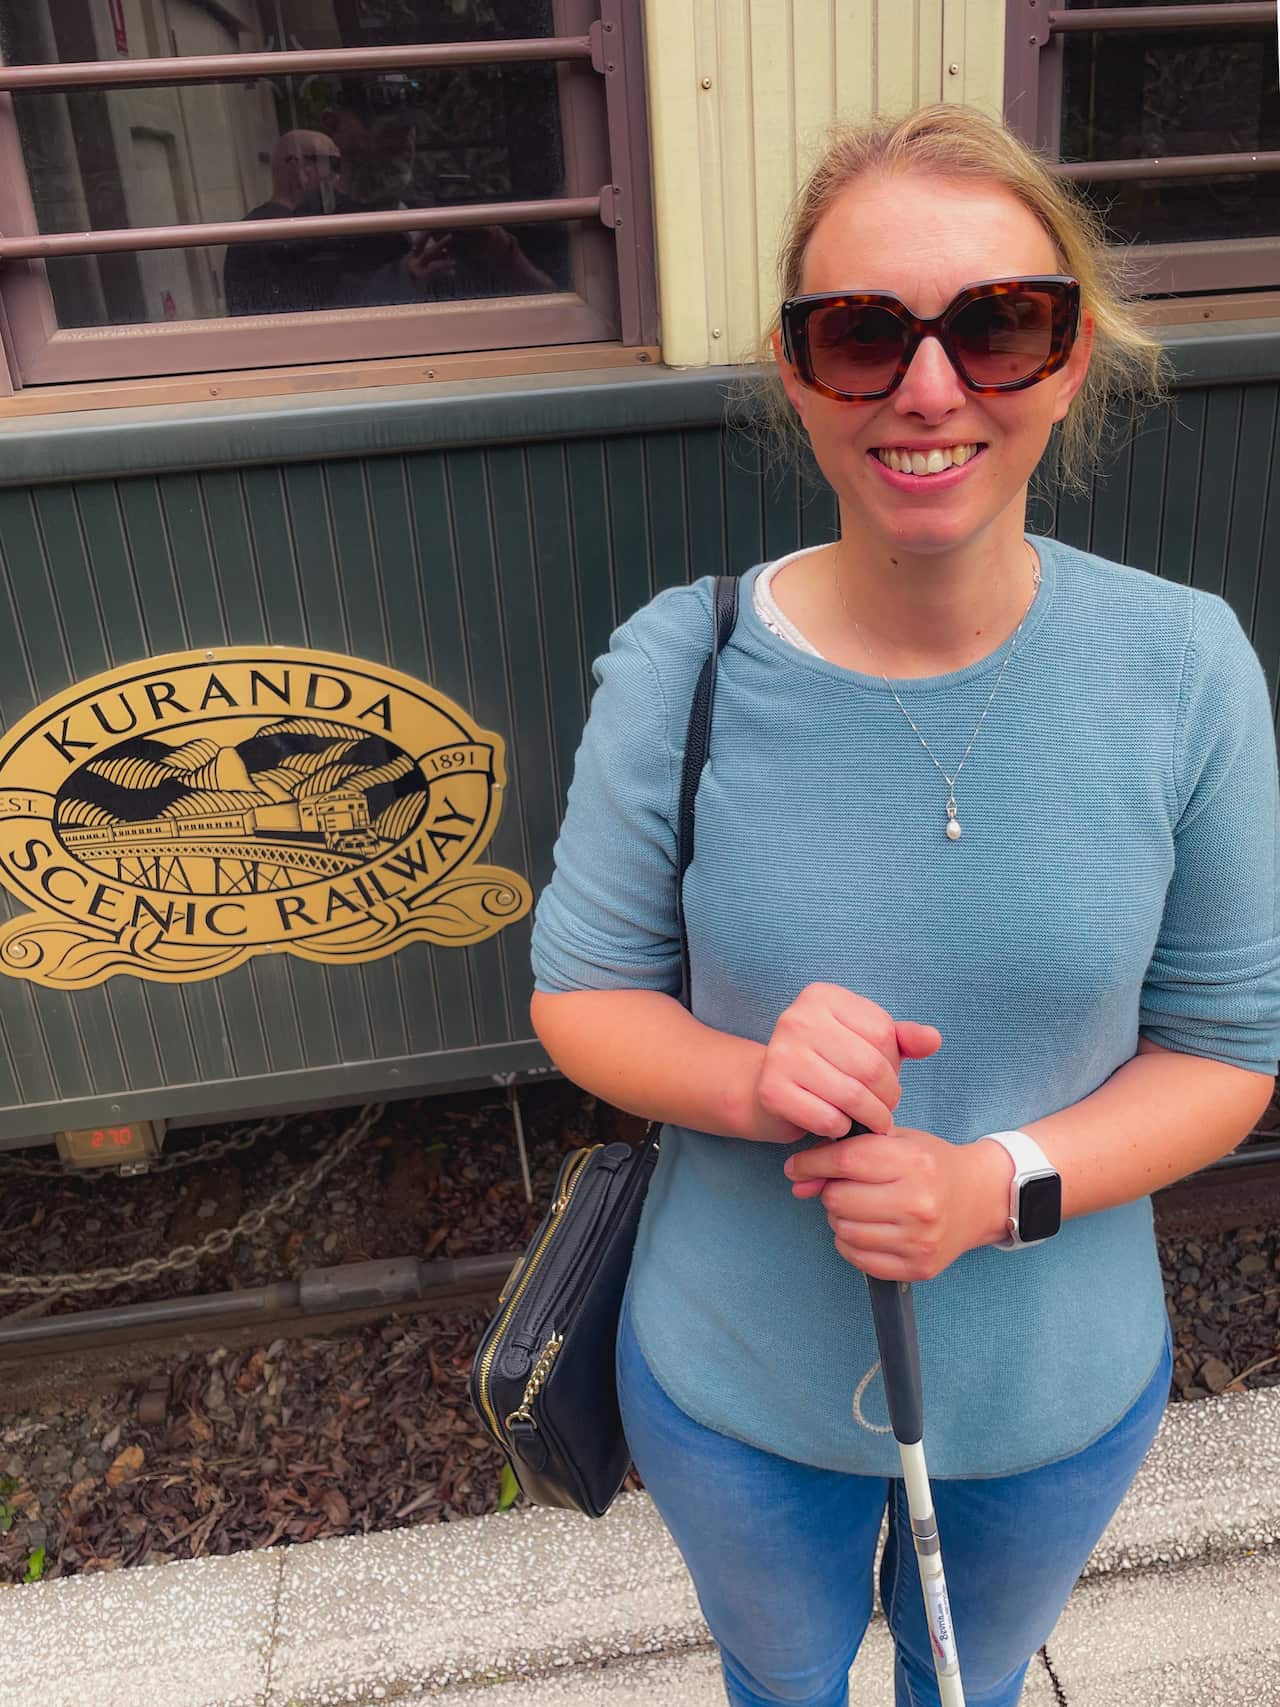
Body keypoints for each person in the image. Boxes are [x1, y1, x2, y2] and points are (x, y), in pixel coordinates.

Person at [527, 103, 1280, 1707]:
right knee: (778, 1682)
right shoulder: (685, 659)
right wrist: (746, 1075)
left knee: (970, 1682)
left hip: (1053, 1395)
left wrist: (990, 1182)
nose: (930, 387)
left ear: (1071, 358)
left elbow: (1227, 1045)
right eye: (864, 333)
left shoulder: (1189, 666)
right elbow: (580, 990)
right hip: (733, 1387)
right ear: (798, 374)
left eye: (1000, 324)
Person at [223, 129, 341, 315]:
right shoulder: (284, 232)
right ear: (295, 165)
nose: (334, 176)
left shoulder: (252, 228)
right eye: (330, 163)